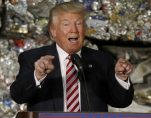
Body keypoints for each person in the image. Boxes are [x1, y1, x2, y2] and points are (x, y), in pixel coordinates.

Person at [10, 1, 134, 112]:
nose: (74, 30)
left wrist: (121, 77)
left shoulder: (102, 60)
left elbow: (121, 102)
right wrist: (38, 75)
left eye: (78, 24)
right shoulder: (32, 58)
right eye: (66, 24)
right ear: (53, 31)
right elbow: (18, 96)